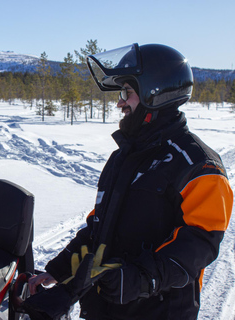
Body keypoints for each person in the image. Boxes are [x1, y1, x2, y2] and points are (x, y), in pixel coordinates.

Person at [25, 43, 233, 320]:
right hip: (103, 307)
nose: (120, 102)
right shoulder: (123, 157)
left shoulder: (198, 164)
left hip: (160, 310)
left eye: (127, 92)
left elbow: (200, 243)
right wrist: (59, 269)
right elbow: (99, 226)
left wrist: (140, 279)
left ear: (154, 94)